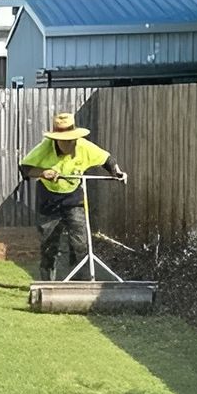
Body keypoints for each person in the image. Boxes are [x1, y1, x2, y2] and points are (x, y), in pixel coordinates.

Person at [18, 111, 125, 281]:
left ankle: (79, 281)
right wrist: (43, 172)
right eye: (65, 141)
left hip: (73, 199)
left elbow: (107, 160)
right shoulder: (45, 148)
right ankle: (47, 284)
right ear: (56, 140)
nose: (70, 144)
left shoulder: (84, 146)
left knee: (80, 243)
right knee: (49, 245)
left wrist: (117, 172)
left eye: (72, 140)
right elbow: (25, 167)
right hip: (49, 199)